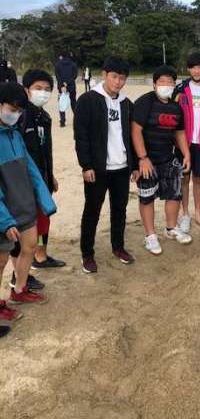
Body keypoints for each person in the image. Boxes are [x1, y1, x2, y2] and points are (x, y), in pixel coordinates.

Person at [74, 57, 136, 274]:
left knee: (120, 210)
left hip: (122, 167)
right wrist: (86, 165)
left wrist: (134, 165)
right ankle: (87, 254)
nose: (118, 82)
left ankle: (118, 247)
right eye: (114, 77)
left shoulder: (127, 104)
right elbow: (81, 136)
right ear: (104, 75)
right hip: (98, 169)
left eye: (122, 78)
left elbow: (132, 137)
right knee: (92, 211)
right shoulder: (88, 100)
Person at [0, 82, 56, 316]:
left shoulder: (15, 135)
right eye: (12, 109)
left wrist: (45, 200)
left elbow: (31, 170)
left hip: (24, 205)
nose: (15, 115)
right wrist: (5, 220)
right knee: (1, 259)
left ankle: (20, 289)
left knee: (30, 245)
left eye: (19, 111)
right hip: (4, 213)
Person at [8, 70, 65, 292]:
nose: (43, 93)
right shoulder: (21, 116)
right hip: (24, 185)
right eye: (38, 88)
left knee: (42, 223)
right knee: (24, 229)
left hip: (42, 180)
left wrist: (50, 175)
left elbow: (45, 150)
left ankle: (40, 257)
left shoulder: (44, 117)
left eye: (47, 89)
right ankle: (18, 274)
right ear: (27, 90)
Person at [132, 65, 192, 256]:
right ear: (154, 83)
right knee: (147, 197)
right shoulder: (145, 102)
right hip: (147, 159)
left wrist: (186, 154)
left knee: (175, 193)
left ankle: (171, 227)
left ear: (175, 85)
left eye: (170, 82)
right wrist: (142, 158)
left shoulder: (176, 107)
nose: (166, 85)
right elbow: (135, 130)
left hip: (168, 157)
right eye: (162, 81)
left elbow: (179, 132)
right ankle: (150, 236)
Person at [173, 53, 200, 232]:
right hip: (184, 141)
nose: (197, 71)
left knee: (198, 178)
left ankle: (198, 213)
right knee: (184, 178)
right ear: (188, 69)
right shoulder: (181, 89)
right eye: (193, 67)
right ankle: (185, 214)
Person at [55, 53, 78, 126]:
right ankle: (77, 119)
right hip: (71, 86)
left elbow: (57, 76)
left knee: (61, 103)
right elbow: (75, 76)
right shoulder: (73, 64)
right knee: (73, 102)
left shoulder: (57, 65)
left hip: (61, 87)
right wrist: (67, 83)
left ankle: (62, 121)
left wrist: (62, 84)